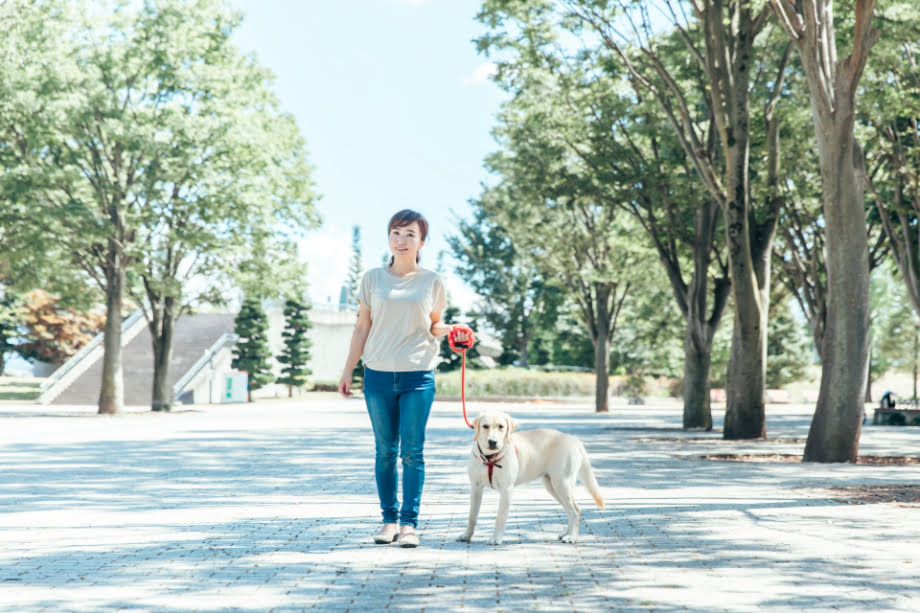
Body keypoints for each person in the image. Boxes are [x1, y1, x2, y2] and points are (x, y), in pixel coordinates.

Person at [338, 209, 472, 548]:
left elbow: (434, 324)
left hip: (418, 375)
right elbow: (362, 327)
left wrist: (453, 330)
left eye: (409, 234)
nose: (402, 240)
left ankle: (410, 524)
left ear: (421, 241)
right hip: (378, 375)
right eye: (396, 233)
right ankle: (389, 520)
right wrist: (348, 370)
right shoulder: (372, 278)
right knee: (385, 450)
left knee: (413, 451)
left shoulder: (432, 281)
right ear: (388, 238)